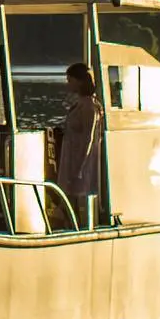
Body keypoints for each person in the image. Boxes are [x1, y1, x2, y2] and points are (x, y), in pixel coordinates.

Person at [56, 62, 103, 228]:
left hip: (79, 158)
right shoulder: (80, 104)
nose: (68, 84)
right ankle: (68, 221)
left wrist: (81, 166)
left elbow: (89, 137)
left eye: (70, 80)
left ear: (80, 81)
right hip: (71, 155)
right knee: (69, 193)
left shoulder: (90, 106)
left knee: (75, 192)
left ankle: (74, 224)